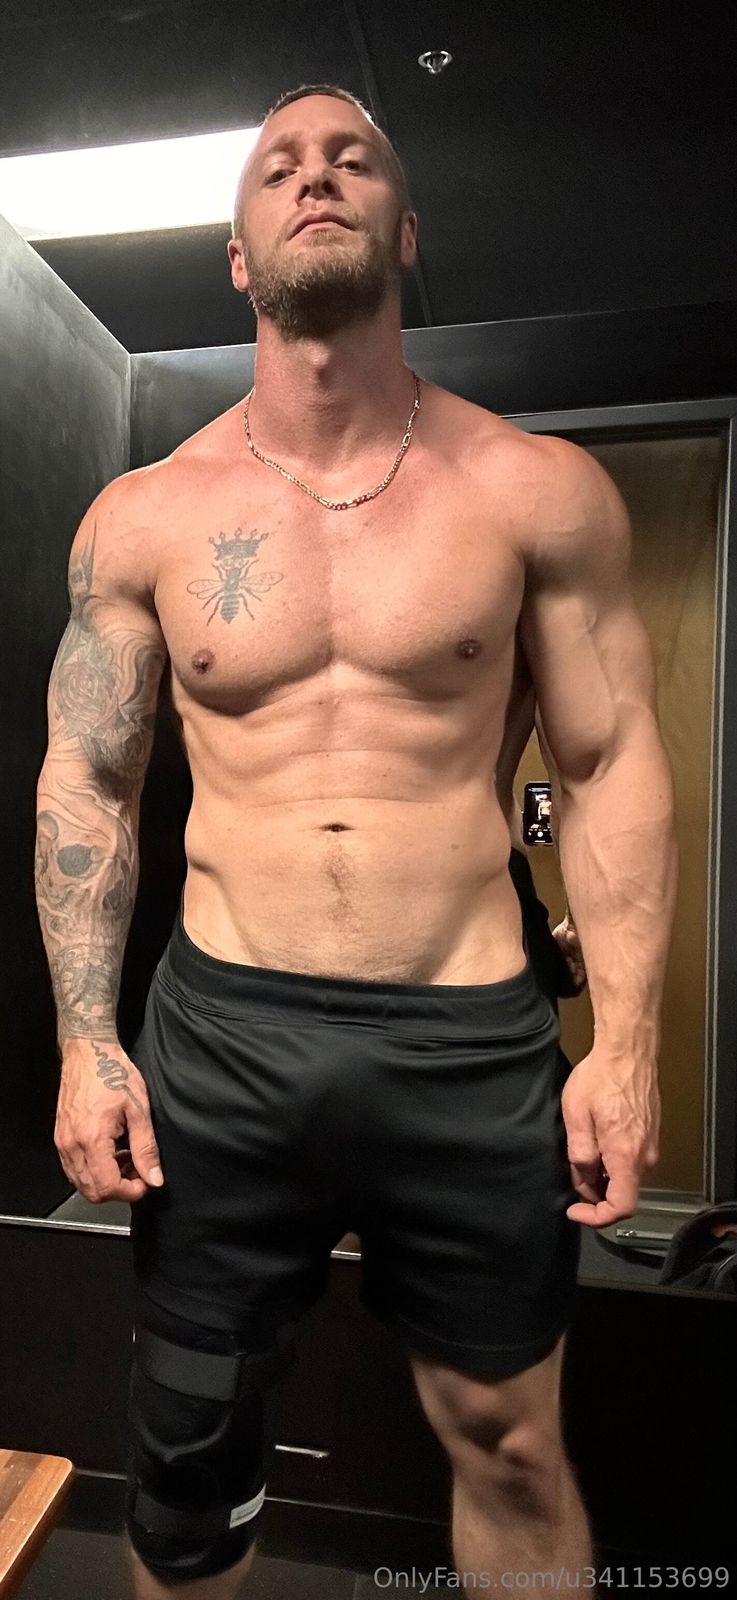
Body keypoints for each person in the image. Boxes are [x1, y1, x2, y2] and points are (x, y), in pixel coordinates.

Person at [34, 82, 677, 1600]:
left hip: (466, 1042)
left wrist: (628, 1043)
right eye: (279, 166)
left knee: (510, 1447)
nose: (315, 176)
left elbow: (605, 767)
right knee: (188, 1457)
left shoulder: (536, 490)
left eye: (351, 159)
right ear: (239, 254)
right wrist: (84, 1040)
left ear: (405, 228)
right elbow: (90, 781)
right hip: (222, 1040)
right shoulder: (144, 516)